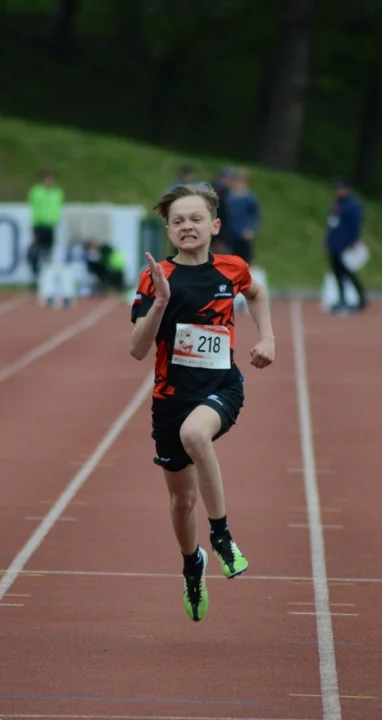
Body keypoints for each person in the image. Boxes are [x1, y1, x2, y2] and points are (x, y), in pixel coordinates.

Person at [129, 182, 276, 623]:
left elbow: (256, 293)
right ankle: (193, 564)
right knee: (181, 502)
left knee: (197, 434)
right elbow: (137, 349)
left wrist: (267, 336)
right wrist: (159, 303)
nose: (187, 226)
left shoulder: (232, 268)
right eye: (178, 221)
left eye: (196, 219)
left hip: (221, 388)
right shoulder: (155, 279)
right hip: (170, 398)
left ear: (214, 225)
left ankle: (223, 536)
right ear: (169, 232)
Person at [324, 178, 367, 313]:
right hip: (335, 244)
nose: (337, 191)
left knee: (348, 272)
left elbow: (355, 225)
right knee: (337, 273)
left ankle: (361, 298)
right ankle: (342, 299)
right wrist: (328, 240)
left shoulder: (352, 205)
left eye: (340, 188)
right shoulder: (337, 204)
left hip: (345, 244)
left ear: (347, 189)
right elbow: (332, 223)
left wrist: (353, 240)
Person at [27, 170, 64, 289]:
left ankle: (47, 279)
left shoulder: (57, 192)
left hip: (51, 226)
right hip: (39, 225)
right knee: (35, 253)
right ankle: (35, 277)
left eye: (51, 179)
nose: (50, 181)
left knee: (48, 253)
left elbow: (57, 208)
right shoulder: (37, 191)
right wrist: (34, 227)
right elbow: (35, 206)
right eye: (47, 179)